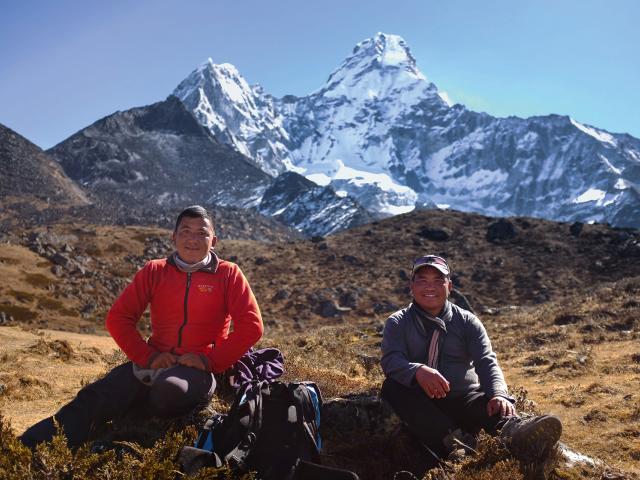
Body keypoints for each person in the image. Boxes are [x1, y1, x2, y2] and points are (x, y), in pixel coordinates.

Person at [21, 205, 263, 449]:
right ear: (174, 237)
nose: (193, 238)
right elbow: (118, 318)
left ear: (214, 241)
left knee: (170, 391)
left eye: (202, 233)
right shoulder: (154, 270)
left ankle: (131, 419)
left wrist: (209, 361)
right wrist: (148, 356)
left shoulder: (228, 274)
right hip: (153, 362)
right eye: (185, 231)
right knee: (94, 396)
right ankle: (26, 446)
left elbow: (252, 326)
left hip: (198, 370)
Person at [380, 255, 561, 463]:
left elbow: (486, 361)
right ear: (411, 286)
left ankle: (517, 433)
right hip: (419, 400)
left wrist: (499, 394)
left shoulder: (467, 321)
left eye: (438, 280)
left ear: (450, 285)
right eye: (422, 280)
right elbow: (391, 360)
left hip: (463, 397)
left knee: (495, 407)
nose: (430, 287)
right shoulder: (398, 322)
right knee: (393, 387)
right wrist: (417, 371)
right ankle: (456, 446)